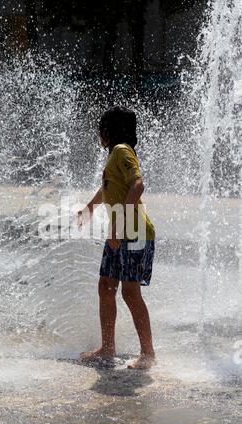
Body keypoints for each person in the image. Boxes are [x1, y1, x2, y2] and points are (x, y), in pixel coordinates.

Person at [78, 106, 156, 369]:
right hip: (120, 233)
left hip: (132, 233)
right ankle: (108, 348)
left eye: (101, 129)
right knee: (106, 286)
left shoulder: (122, 150)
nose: (99, 134)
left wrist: (117, 226)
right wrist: (89, 208)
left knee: (130, 292)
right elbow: (109, 187)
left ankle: (148, 354)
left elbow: (138, 185)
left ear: (107, 131)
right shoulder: (114, 156)